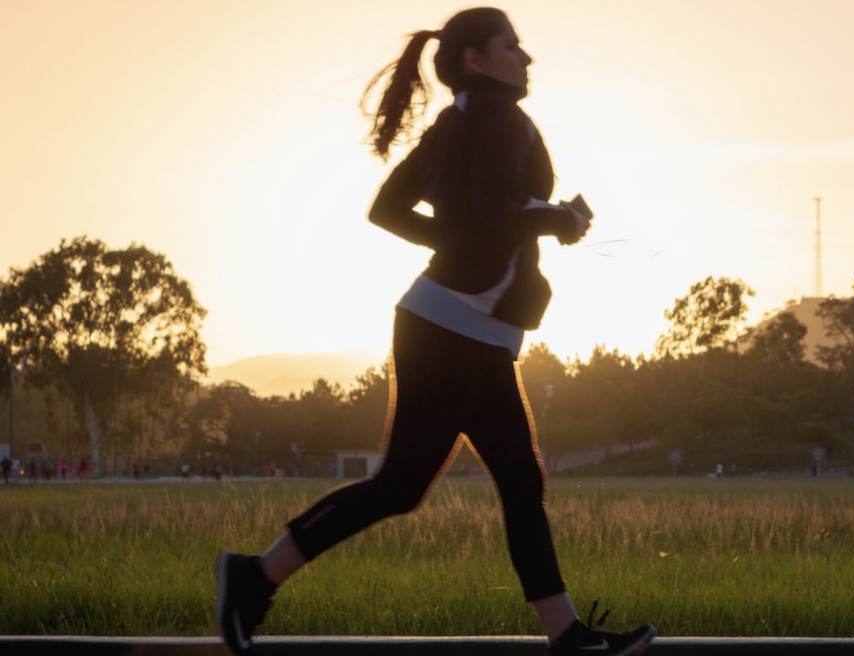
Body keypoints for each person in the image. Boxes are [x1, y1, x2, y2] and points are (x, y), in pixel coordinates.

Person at [214, 9, 654, 656]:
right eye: (513, 46)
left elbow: (389, 209)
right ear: (477, 58)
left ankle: (566, 634)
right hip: (452, 329)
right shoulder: (499, 121)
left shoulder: (458, 122)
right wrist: (557, 217)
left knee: (517, 479)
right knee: (404, 485)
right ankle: (252, 575)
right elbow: (494, 208)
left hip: (464, 330)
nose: (527, 58)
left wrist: (464, 238)